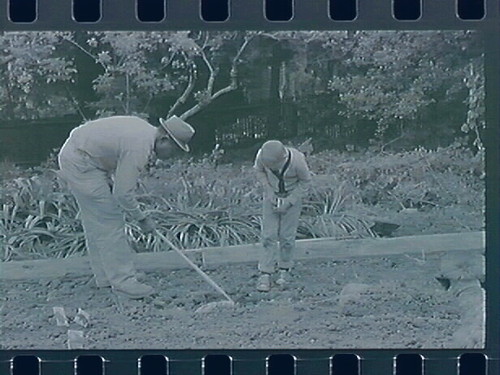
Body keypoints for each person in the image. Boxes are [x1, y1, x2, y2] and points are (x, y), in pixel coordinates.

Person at [58, 115, 195, 299]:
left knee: (96, 221)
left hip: (81, 157)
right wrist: (142, 219)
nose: (173, 155)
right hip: (81, 163)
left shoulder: (143, 131)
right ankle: (124, 282)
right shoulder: (139, 146)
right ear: (164, 139)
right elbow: (122, 194)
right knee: (110, 222)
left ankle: (106, 276)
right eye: (174, 149)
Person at [253, 140, 311, 292]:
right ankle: (265, 272)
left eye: (273, 166)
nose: (270, 168)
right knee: (268, 235)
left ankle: (285, 269)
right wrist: (268, 191)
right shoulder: (262, 155)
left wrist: (289, 201)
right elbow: (259, 171)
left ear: (283, 159)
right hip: (271, 196)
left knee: (287, 236)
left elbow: (305, 182)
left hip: (292, 196)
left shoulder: (297, 161)